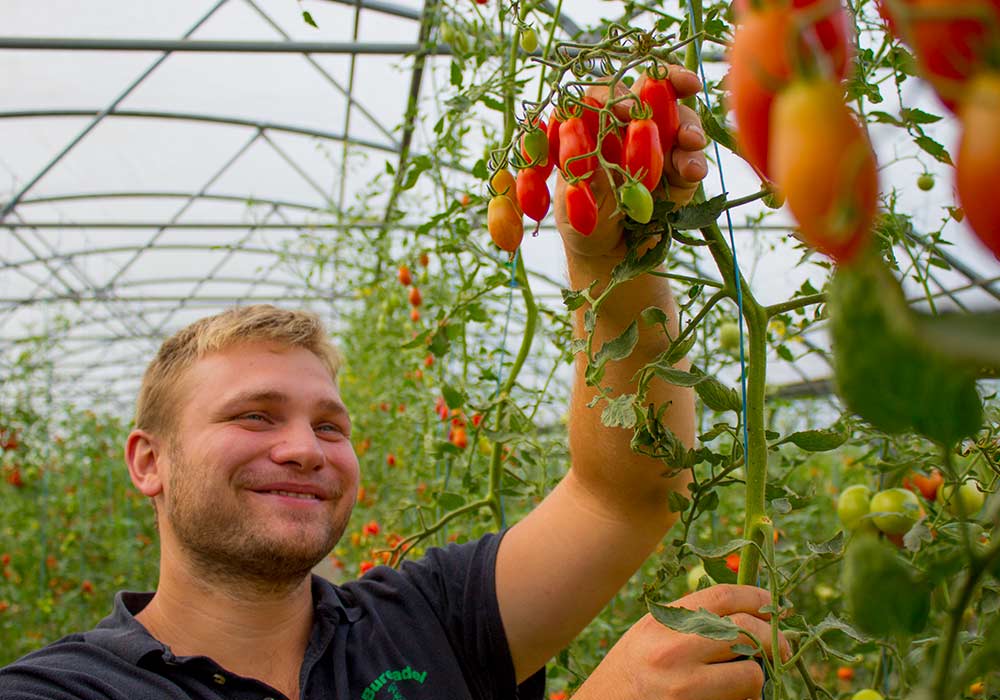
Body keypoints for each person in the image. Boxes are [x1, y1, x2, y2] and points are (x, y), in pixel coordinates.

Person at [0, 66, 788, 700]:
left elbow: (623, 495)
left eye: (330, 426)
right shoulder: (65, 690)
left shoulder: (425, 620)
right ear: (148, 461)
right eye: (253, 417)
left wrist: (611, 259)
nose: (305, 449)